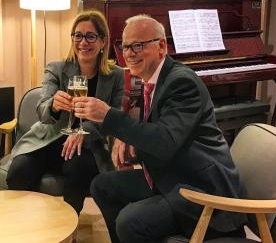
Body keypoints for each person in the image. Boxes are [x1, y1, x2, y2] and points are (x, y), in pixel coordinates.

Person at [72, 14, 247, 243]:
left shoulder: (181, 82)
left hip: (200, 188)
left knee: (130, 221)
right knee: (102, 186)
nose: (128, 54)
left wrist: (108, 116)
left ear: (161, 46)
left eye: (137, 46)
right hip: (169, 175)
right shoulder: (152, 79)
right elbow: (156, 126)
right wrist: (128, 138)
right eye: (125, 47)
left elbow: (165, 141)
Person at [5, 10, 124, 216]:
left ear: (103, 41)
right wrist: (53, 105)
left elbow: (112, 118)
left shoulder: (116, 75)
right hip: (49, 140)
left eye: (90, 36)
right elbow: (42, 111)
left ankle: (70, 229)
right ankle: (28, 222)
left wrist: (82, 130)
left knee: (78, 172)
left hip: (85, 145)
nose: (83, 42)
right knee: (17, 173)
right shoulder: (57, 68)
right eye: (77, 35)